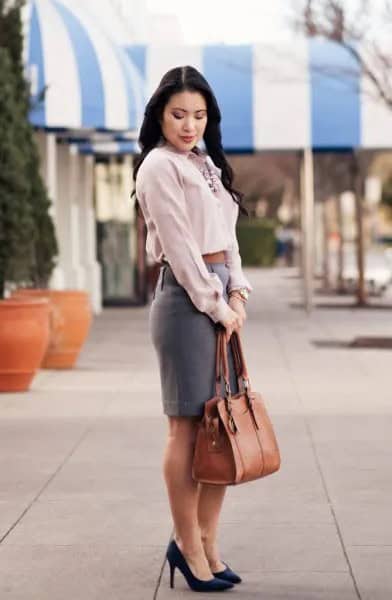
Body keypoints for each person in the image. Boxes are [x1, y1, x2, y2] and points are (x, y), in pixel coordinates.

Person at [133, 65, 253, 593]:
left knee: (219, 424)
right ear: (160, 113)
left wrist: (238, 289)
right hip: (186, 302)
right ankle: (186, 544)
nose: (189, 125)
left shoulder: (204, 163)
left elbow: (227, 236)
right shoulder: (159, 167)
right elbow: (181, 251)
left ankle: (207, 541)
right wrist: (215, 303)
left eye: (199, 116)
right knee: (187, 425)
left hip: (218, 295)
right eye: (179, 114)